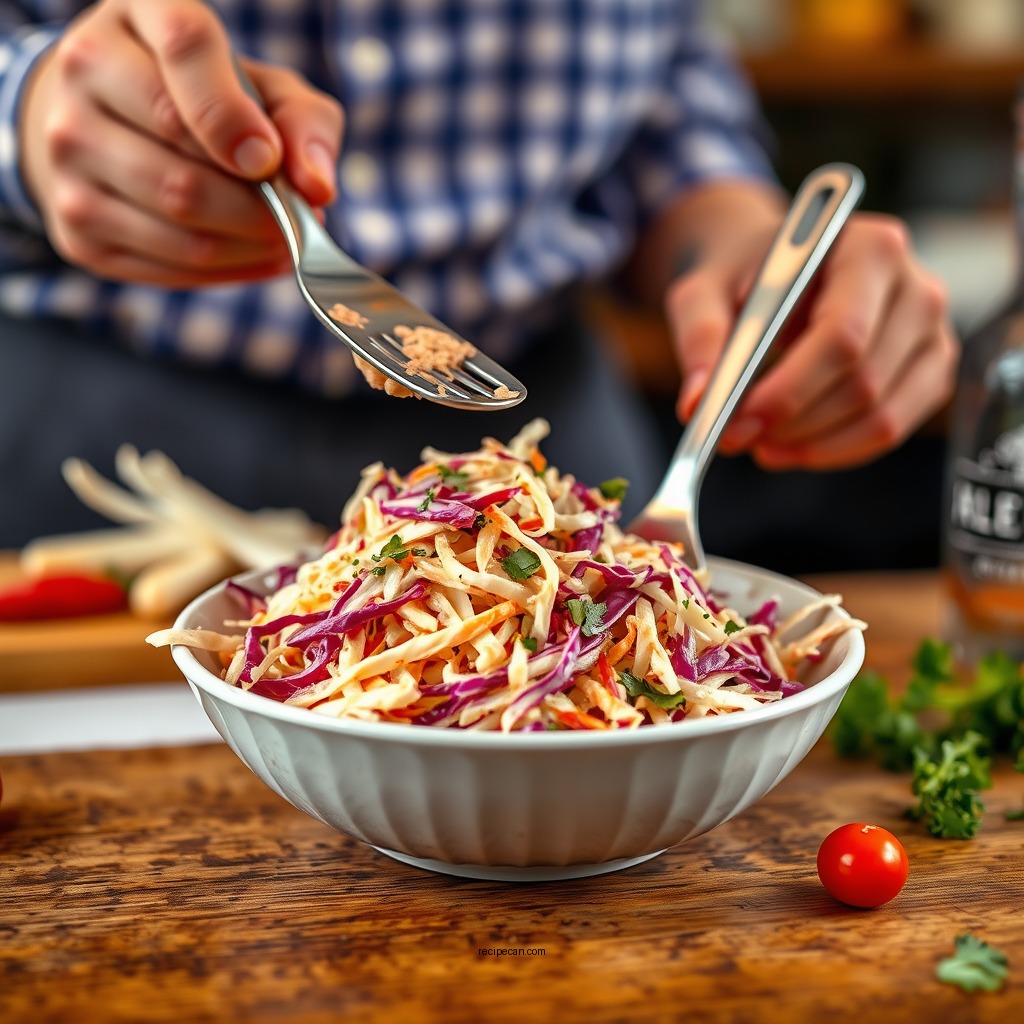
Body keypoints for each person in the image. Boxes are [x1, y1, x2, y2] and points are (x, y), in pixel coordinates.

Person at [0, 0, 957, 553]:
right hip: (95, 436)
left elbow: (663, 75)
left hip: (546, 442)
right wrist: (23, 110)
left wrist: (733, 237)